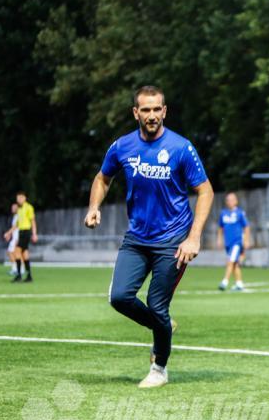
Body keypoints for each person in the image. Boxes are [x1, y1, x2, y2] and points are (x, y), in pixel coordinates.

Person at [84, 85, 213, 388]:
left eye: (157, 109)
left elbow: (205, 191)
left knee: (157, 306)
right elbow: (103, 178)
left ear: (164, 111)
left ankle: (160, 368)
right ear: (136, 113)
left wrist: (193, 237)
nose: (152, 115)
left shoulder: (181, 147)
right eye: (146, 110)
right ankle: (164, 326)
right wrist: (94, 207)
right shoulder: (122, 147)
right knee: (119, 297)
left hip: (173, 240)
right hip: (137, 238)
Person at [217, 192, 251, 291]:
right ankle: (239, 284)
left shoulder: (240, 213)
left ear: (236, 201)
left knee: (230, 261)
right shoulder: (223, 213)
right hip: (228, 243)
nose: (230, 201)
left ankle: (224, 281)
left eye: (232, 199)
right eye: (228, 200)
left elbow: (246, 227)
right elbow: (220, 227)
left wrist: (247, 240)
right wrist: (219, 239)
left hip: (237, 242)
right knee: (235, 263)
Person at [8, 192, 37, 282]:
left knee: (16, 251)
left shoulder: (28, 207)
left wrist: (34, 234)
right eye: (18, 198)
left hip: (26, 232)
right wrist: (9, 233)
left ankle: (19, 275)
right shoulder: (19, 210)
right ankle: (29, 276)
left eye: (20, 198)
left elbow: (32, 221)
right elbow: (17, 224)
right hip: (21, 232)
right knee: (24, 254)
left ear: (25, 198)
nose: (19, 199)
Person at [3, 202, 20, 276]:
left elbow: (16, 226)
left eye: (14, 207)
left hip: (17, 237)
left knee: (13, 253)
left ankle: (17, 269)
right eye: (12, 207)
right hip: (15, 237)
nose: (12, 209)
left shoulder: (18, 216)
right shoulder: (15, 216)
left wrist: (8, 233)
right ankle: (16, 269)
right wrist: (10, 235)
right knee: (12, 252)